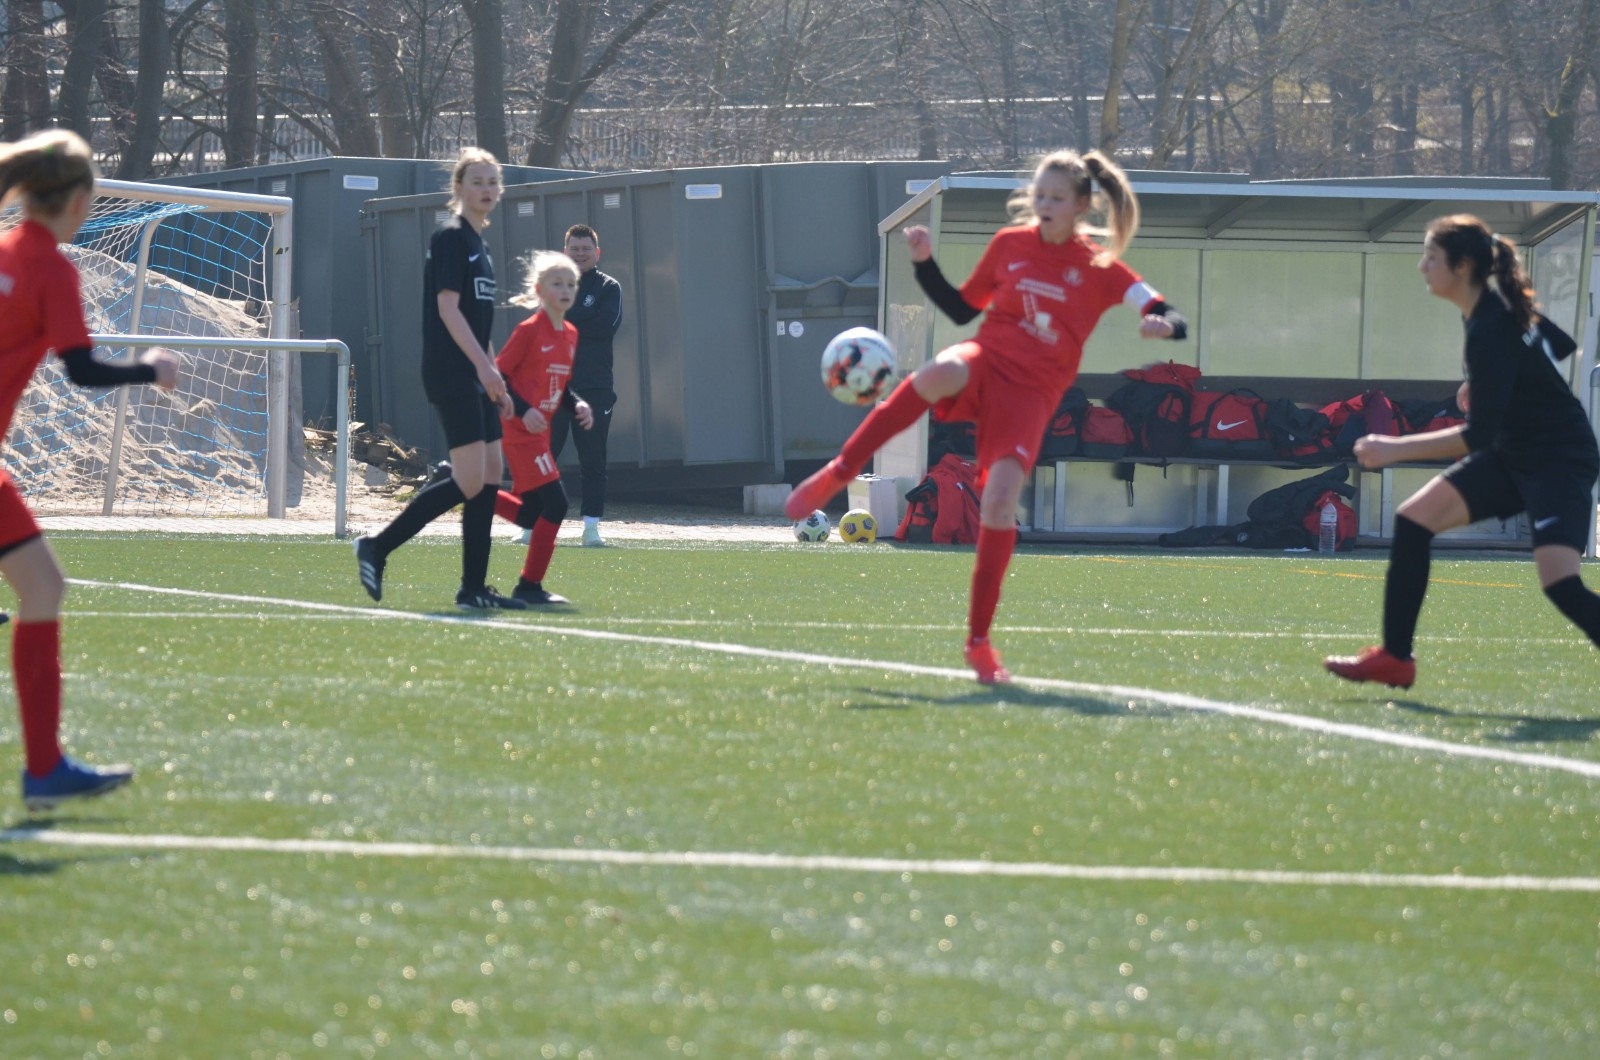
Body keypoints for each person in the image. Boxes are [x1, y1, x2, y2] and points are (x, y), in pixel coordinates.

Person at [785, 149, 1188, 684]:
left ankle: (978, 643)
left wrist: (1163, 326)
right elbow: (961, 310)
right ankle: (840, 471)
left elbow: (1164, 310)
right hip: (987, 360)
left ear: (1081, 206)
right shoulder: (1009, 245)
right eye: (1039, 195)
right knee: (939, 371)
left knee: (998, 504)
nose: (1044, 204)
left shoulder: (1100, 266)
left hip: (1031, 396)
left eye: (1056, 198)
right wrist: (924, 262)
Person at [1324, 214, 1600, 689]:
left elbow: (1476, 437)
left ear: (1463, 266)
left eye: (1431, 257)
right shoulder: (1493, 311)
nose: (1422, 266)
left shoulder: (1493, 323)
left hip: (1558, 459)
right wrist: (1488, 382)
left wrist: (1392, 448)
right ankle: (1396, 658)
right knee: (1413, 520)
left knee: (1560, 584)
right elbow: (1559, 345)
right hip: (1515, 454)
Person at [0, 129, 180, 809]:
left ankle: (46, 770)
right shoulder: (50, 268)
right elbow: (81, 368)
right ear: (78, 200)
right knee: (43, 589)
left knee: (42, 586)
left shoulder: (5, 251)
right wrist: (150, 368)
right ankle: (44, 769)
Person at [354, 147, 528, 610]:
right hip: (450, 371)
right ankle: (376, 547)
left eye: (492, 182)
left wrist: (496, 377)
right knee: (470, 480)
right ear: (459, 188)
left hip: (475, 372)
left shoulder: (480, 246)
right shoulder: (451, 237)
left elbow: (478, 324)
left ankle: (473, 588)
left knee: (489, 475)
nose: (486, 189)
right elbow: (448, 310)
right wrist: (483, 369)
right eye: (477, 181)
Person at [491, 250, 594, 604]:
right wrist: (522, 412)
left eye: (571, 284)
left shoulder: (571, 334)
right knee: (557, 504)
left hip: (540, 433)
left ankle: (466, 488)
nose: (565, 290)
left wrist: (577, 404)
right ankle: (529, 587)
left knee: (532, 513)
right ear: (539, 290)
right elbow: (499, 378)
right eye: (557, 283)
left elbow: (558, 385)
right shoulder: (529, 331)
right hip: (520, 432)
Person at [543, 223, 622, 548]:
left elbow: (606, 325)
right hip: (554, 388)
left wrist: (568, 315)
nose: (580, 254)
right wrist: (584, 314)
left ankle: (591, 528)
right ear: (566, 252)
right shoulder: (553, 285)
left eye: (586, 249)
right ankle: (534, 525)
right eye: (574, 248)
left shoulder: (609, 287)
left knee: (593, 460)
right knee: (544, 457)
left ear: (596, 253)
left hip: (595, 388)